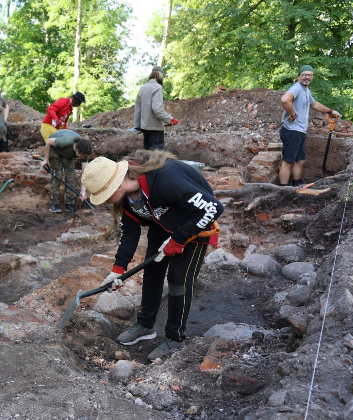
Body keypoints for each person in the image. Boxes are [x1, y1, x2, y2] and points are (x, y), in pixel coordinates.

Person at [80, 150, 223, 360]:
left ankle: (175, 337)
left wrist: (179, 239)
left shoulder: (166, 178)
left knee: (178, 279)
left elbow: (212, 208)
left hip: (195, 226)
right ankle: (146, 326)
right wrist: (118, 270)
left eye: (106, 197)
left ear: (117, 185)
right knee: (152, 271)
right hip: (163, 223)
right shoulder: (128, 198)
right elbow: (130, 232)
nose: (106, 202)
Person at [279, 65, 341, 187]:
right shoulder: (297, 88)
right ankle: (283, 190)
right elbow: (285, 100)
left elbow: (314, 104)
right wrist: (292, 114)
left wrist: (330, 111)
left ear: (312, 77)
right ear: (299, 76)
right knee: (288, 162)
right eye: (304, 74)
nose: (307, 77)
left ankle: (297, 185)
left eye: (310, 75)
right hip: (292, 131)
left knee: (300, 161)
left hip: (300, 132)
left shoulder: (306, 91)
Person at [39, 129, 93, 213]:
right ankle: (54, 204)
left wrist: (83, 191)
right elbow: (49, 141)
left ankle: (70, 204)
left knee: (71, 176)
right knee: (57, 175)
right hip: (54, 148)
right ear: (77, 150)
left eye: (84, 156)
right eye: (82, 156)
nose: (83, 158)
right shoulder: (65, 142)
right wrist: (45, 160)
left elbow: (85, 173)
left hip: (67, 153)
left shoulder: (85, 151)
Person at [134, 66, 178, 150]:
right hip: (155, 127)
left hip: (145, 127)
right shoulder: (157, 87)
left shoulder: (143, 88)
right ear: (160, 76)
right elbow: (157, 109)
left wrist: (138, 125)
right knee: (157, 155)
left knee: (148, 154)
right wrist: (170, 119)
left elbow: (138, 110)